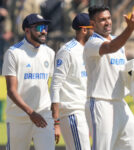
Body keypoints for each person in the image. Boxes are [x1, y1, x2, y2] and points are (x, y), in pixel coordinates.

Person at [83, 5, 134, 150]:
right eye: (102, 20)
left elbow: (123, 69)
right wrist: (130, 28)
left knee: (132, 145)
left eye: (108, 18)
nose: (107, 22)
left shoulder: (118, 41)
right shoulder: (92, 43)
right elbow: (110, 47)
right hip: (100, 102)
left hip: (120, 102)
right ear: (92, 24)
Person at [2, 13, 57, 150]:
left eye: (45, 27)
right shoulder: (13, 53)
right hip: (18, 118)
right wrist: (31, 113)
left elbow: (47, 86)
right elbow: (11, 90)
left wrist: (55, 122)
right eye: (39, 27)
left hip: (44, 116)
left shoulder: (49, 53)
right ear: (27, 30)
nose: (44, 31)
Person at [50, 13, 93, 150]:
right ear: (84, 30)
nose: (97, 32)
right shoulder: (67, 51)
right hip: (72, 112)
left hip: (85, 111)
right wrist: (56, 122)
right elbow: (55, 85)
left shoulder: (90, 50)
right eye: (94, 28)